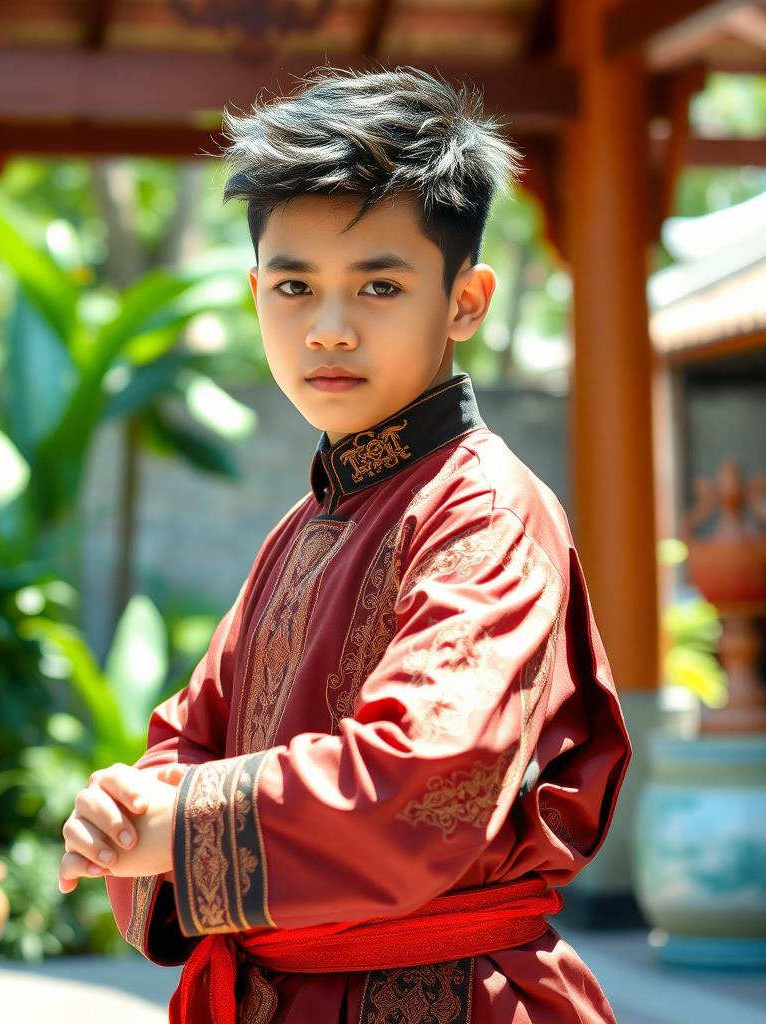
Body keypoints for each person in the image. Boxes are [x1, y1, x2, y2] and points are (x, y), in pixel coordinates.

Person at [58, 64, 632, 1023]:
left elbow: (422, 778)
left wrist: (180, 824)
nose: (327, 329)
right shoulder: (303, 527)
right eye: (294, 285)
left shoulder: (484, 509)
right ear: (254, 295)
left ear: (466, 300)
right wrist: (125, 812)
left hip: (452, 996)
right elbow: (187, 737)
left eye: (377, 285)